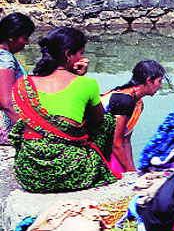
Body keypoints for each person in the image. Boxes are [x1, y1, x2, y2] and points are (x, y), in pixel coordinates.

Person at [9, 27, 119, 193]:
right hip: (71, 169)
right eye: (81, 53)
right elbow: (98, 120)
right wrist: (78, 78)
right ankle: (97, 165)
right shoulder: (87, 84)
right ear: (68, 55)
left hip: (30, 173)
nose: (84, 58)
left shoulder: (23, 84)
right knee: (108, 122)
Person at [101, 60, 166, 173]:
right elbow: (116, 144)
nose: (160, 86)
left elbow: (126, 141)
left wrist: (132, 171)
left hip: (108, 147)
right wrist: (130, 172)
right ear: (148, 81)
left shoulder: (138, 104)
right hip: (97, 148)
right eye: (159, 81)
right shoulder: (123, 100)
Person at [0, 13, 35, 145]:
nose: (27, 42)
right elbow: (6, 103)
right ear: (11, 37)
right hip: (6, 125)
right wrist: (28, 130)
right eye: (25, 38)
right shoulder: (5, 59)